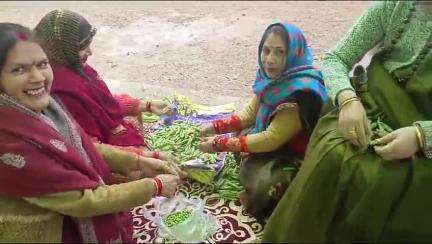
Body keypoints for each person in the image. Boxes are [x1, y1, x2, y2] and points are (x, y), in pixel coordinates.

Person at [263, 1, 432, 242]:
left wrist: (420, 137)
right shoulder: (393, 6)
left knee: (385, 180)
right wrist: (347, 100)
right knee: (333, 153)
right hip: (370, 105)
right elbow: (336, 58)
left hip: (424, 128)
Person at [0, 22, 181, 243]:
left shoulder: (44, 106)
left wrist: (137, 160)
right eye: (19, 69)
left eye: (42, 64)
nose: (37, 77)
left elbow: (79, 144)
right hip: (52, 230)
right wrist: (154, 186)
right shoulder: (11, 145)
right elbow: (83, 201)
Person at [198, 22, 327, 220]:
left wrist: (218, 144)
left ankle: (265, 202)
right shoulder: (272, 79)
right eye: (266, 50)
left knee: (268, 185)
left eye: (280, 52)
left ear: (293, 54)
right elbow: (248, 115)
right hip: (271, 141)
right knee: (243, 135)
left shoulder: (301, 92)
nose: (270, 60)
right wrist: (212, 128)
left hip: (292, 155)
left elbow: (271, 139)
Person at [33, 9, 177, 182]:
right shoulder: (61, 90)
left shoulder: (73, 66)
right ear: (63, 49)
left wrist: (145, 105)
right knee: (151, 174)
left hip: (102, 139)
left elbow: (100, 104)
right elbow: (87, 146)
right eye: (83, 47)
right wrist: (143, 157)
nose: (90, 52)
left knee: (136, 132)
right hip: (87, 152)